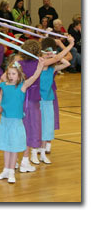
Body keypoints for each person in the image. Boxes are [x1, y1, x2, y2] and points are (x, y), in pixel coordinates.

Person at [15, 37, 74, 171]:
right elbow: (59, 58)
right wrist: (69, 45)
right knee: (35, 128)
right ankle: (31, 154)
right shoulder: (38, 66)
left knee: (40, 127)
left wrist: (52, 54)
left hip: (38, 101)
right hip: (35, 101)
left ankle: (35, 154)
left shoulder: (46, 69)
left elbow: (65, 62)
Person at [0, 58, 44, 184]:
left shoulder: (22, 86)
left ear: (19, 74)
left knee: (14, 147)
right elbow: (0, 97)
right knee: (6, 146)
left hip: (16, 122)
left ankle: (11, 171)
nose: (10, 76)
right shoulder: (3, 85)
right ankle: (5, 169)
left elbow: (34, 76)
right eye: (9, 73)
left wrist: (40, 65)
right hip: (5, 121)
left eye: (13, 74)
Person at [38, 45, 71, 164]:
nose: (48, 57)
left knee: (47, 127)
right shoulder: (39, 68)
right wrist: (48, 57)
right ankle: (33, 152)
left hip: (48, 100)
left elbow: (66, 63)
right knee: (38, 126)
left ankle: (42, 153)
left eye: (49, 55)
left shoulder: (53, 69)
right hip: (38, 100)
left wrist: (54, 56)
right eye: (45, 54)